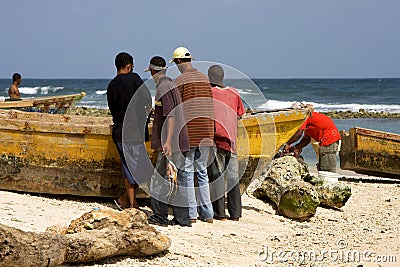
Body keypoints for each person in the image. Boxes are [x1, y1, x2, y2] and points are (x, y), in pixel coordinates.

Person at [145, 56, 192, 227]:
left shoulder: (162, 87)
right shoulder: (170, 83)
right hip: (179, 140)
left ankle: (160, 216)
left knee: (159, 179)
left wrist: (167, 142)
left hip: (172, 142)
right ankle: (182, 219)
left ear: (152, 71)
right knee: (175, 179)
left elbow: (170, 116)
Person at [170, 47, 214, 223]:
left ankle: (191, 214)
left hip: (190, 131)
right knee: (203, 172)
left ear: (179, 62)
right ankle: (208, 214)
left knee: (187, 172)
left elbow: (176, 109)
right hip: (207, 131)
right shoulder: (204, 78)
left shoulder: (179, 80)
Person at [106, 52, 152, 210]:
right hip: (136, 132)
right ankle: (131, 203)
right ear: (129, 65)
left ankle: (128, 201)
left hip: (120, 132)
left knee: (128, 168)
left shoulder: (111, 85)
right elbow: (147, 101)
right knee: (140, 169)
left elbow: (113, 111)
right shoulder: (135, 79)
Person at [208, 65, 245, 221]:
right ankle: (235, 214)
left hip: (215, 140)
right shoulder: (234, 93)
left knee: (216, 176)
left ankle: (220, 213)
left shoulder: (209, 93)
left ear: (210, 78)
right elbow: (240, 114)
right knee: (232, 178)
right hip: (231, 141)